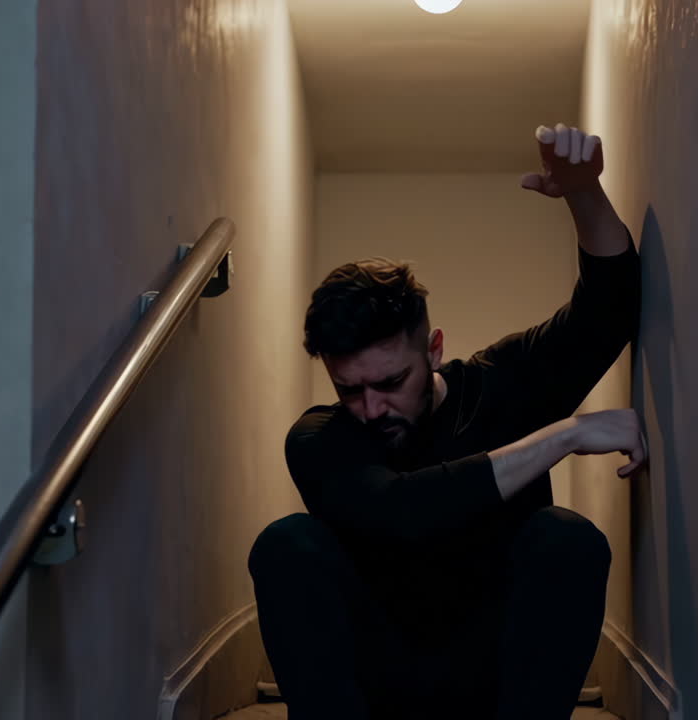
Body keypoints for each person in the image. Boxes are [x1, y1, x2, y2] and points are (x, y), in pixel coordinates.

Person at [248, 124, 647, 720]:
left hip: (493, 670)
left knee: (567, 537)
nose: (372, 407)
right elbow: (402, 512)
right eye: (348, 389)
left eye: (390, 382)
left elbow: (608, 310)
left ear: (433, 348)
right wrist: (565, 435)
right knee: (285, 543)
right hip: (374, 679)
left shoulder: (499, 383)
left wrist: (583, 192)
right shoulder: (320, 438)